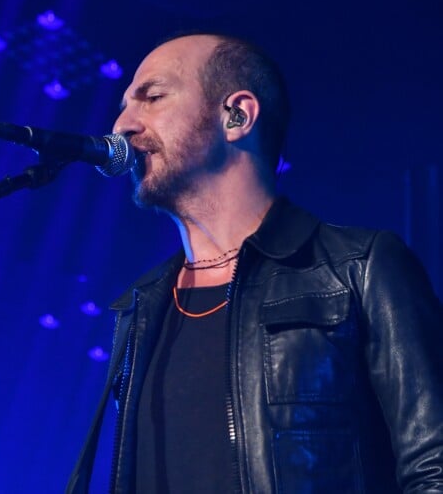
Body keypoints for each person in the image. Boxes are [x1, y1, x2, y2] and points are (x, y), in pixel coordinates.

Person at [66, 33, 443, 493]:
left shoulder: (358, 269)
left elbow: (433, 466)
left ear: (237, 115)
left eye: (152, 97)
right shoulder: (141, 308)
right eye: (125, 105)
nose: (122, 125)